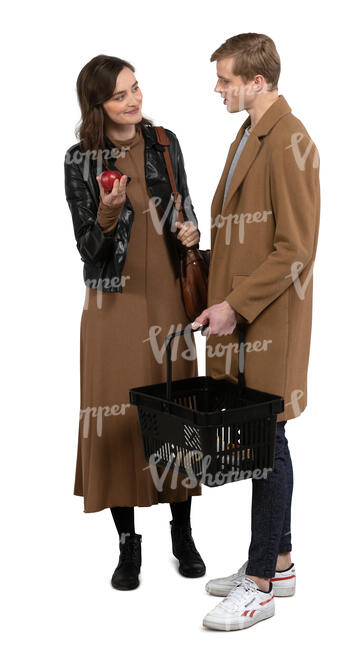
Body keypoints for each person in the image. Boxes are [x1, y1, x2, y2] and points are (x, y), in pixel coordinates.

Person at [192, 33, 320, 631]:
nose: (218, 88)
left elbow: (296, 249)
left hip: (268, 321)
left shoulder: (290, 140)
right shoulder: (247, 134)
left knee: (267, 439)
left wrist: (235, 306)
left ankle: (262, 583)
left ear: (257, 81)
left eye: (225, 79)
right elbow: (249, 235)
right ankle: (279, 560)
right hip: (246, 319)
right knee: (265, 437)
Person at [64, 54, 206, 591]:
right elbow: (89, 249)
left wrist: (189, 233)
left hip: (169, 298)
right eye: (121, 94)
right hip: (113, 307)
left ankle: (183, 532)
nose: (134, 100)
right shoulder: (81, 160)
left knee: (177, 412)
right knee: (120, 414)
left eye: (136, 87)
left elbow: (183, 211)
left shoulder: (165, 143)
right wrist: (107, 210)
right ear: (98, 105)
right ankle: (127, 544)